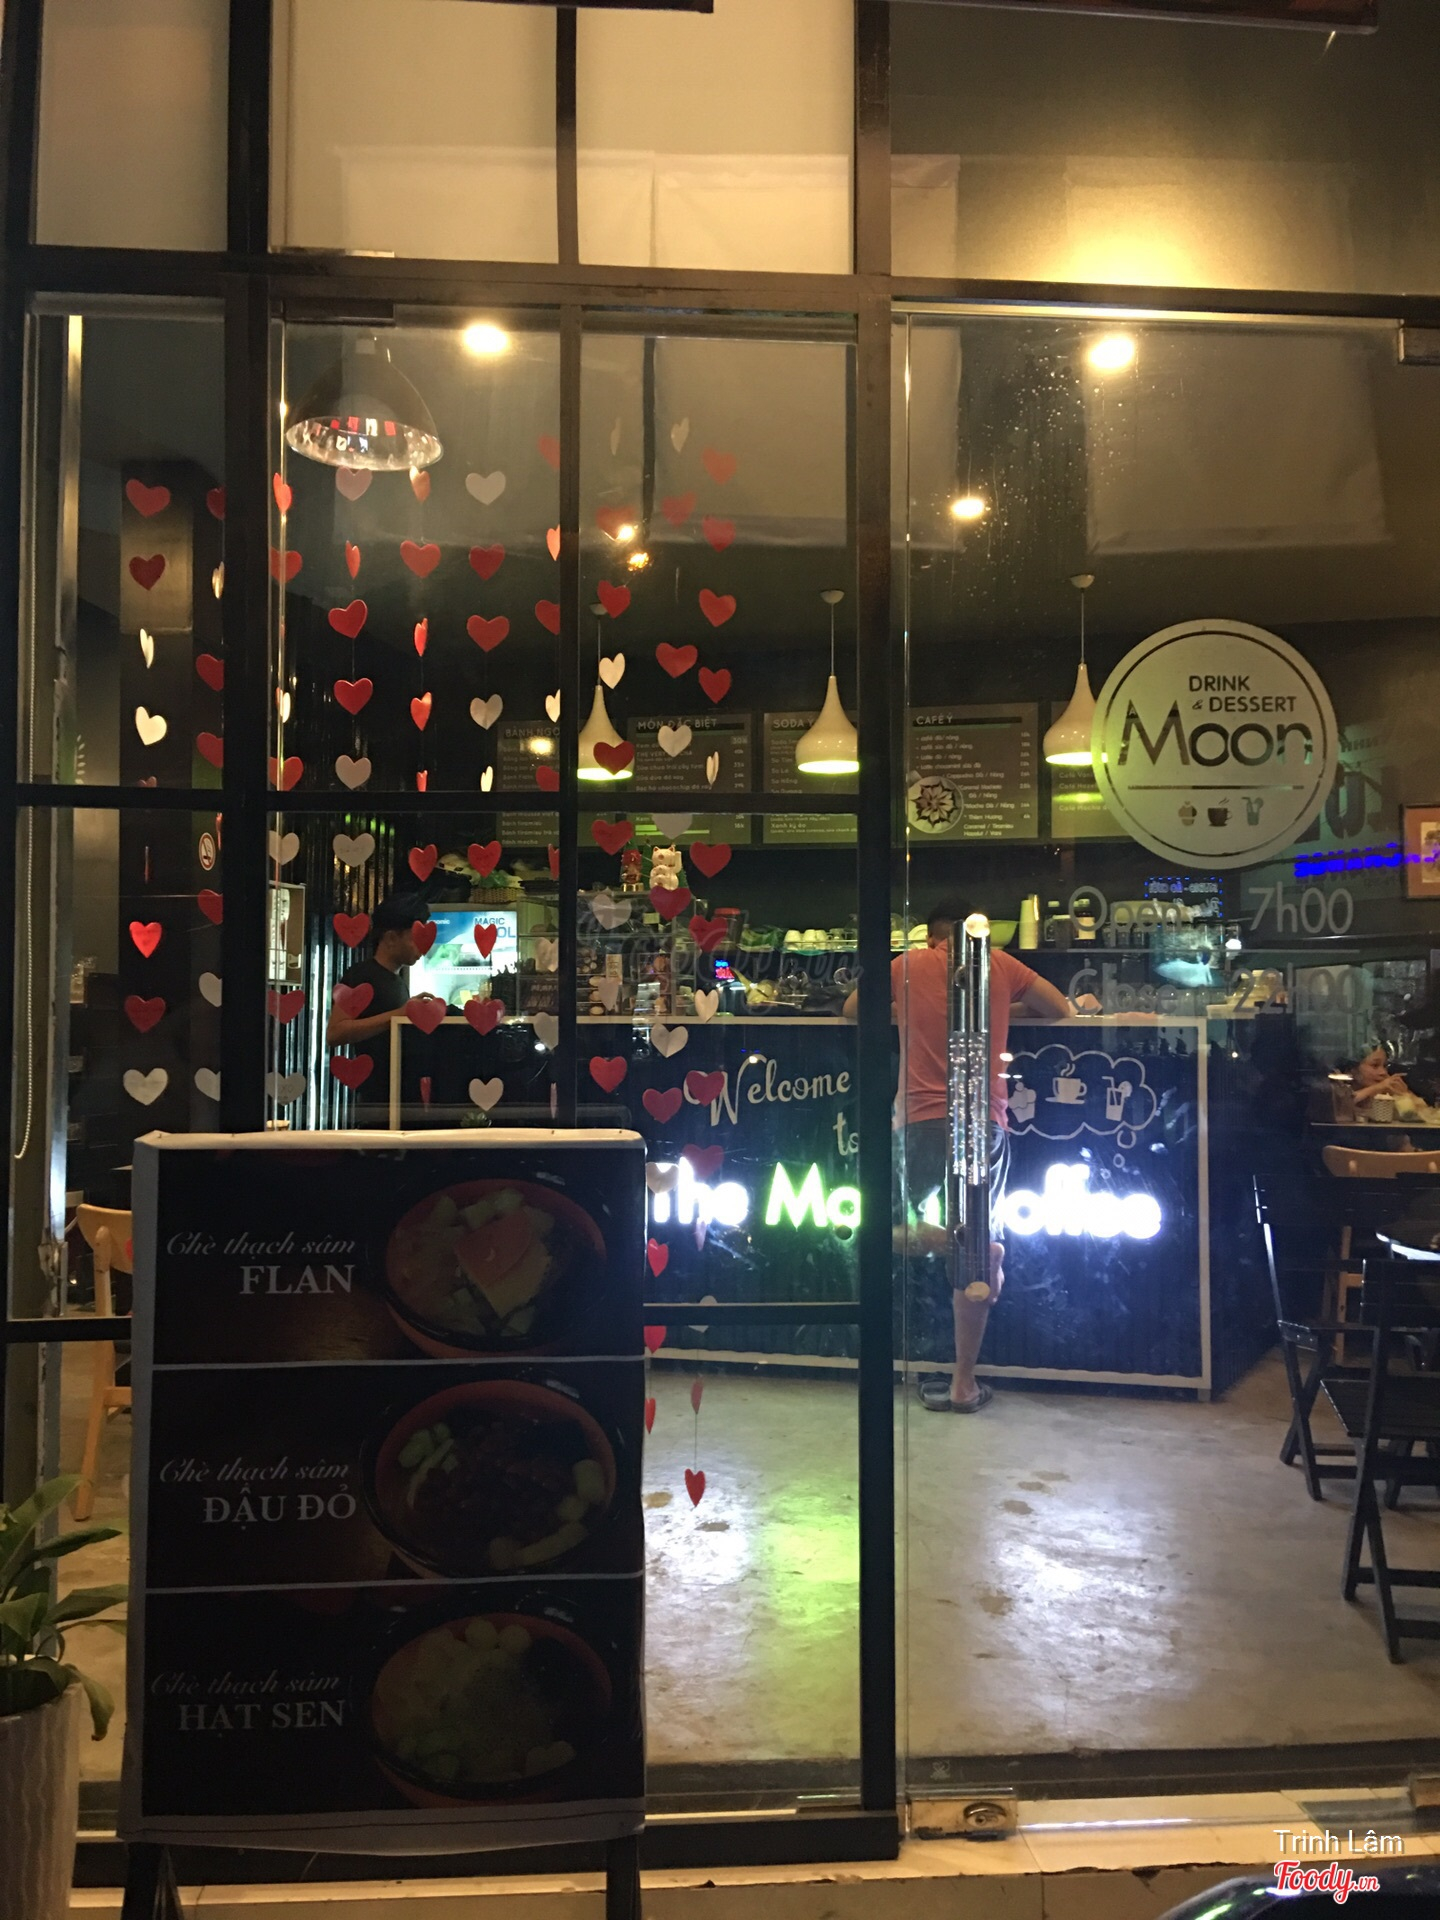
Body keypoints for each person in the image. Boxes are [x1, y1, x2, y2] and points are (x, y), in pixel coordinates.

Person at [846, 897, 1082, 1413]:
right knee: (974, 1258)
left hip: (919, 1119)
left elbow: (852, 1009)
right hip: (981, 1120)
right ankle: (963, 1383)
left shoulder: (908, 965)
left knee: (884, 1230)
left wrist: (906, 1012)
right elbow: (1059, 1008)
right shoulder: (999, 964)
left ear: (932, 937)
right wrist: (1002, 1009)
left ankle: (946, 1242)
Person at [325, 896, 429, 1125]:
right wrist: (399, 1015)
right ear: (391, 938)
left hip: (394, 1100)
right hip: (376, 1103)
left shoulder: (397, 980)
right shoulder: (360, 975)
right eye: (417, 938)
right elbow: (334, 1033)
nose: (423, 947)